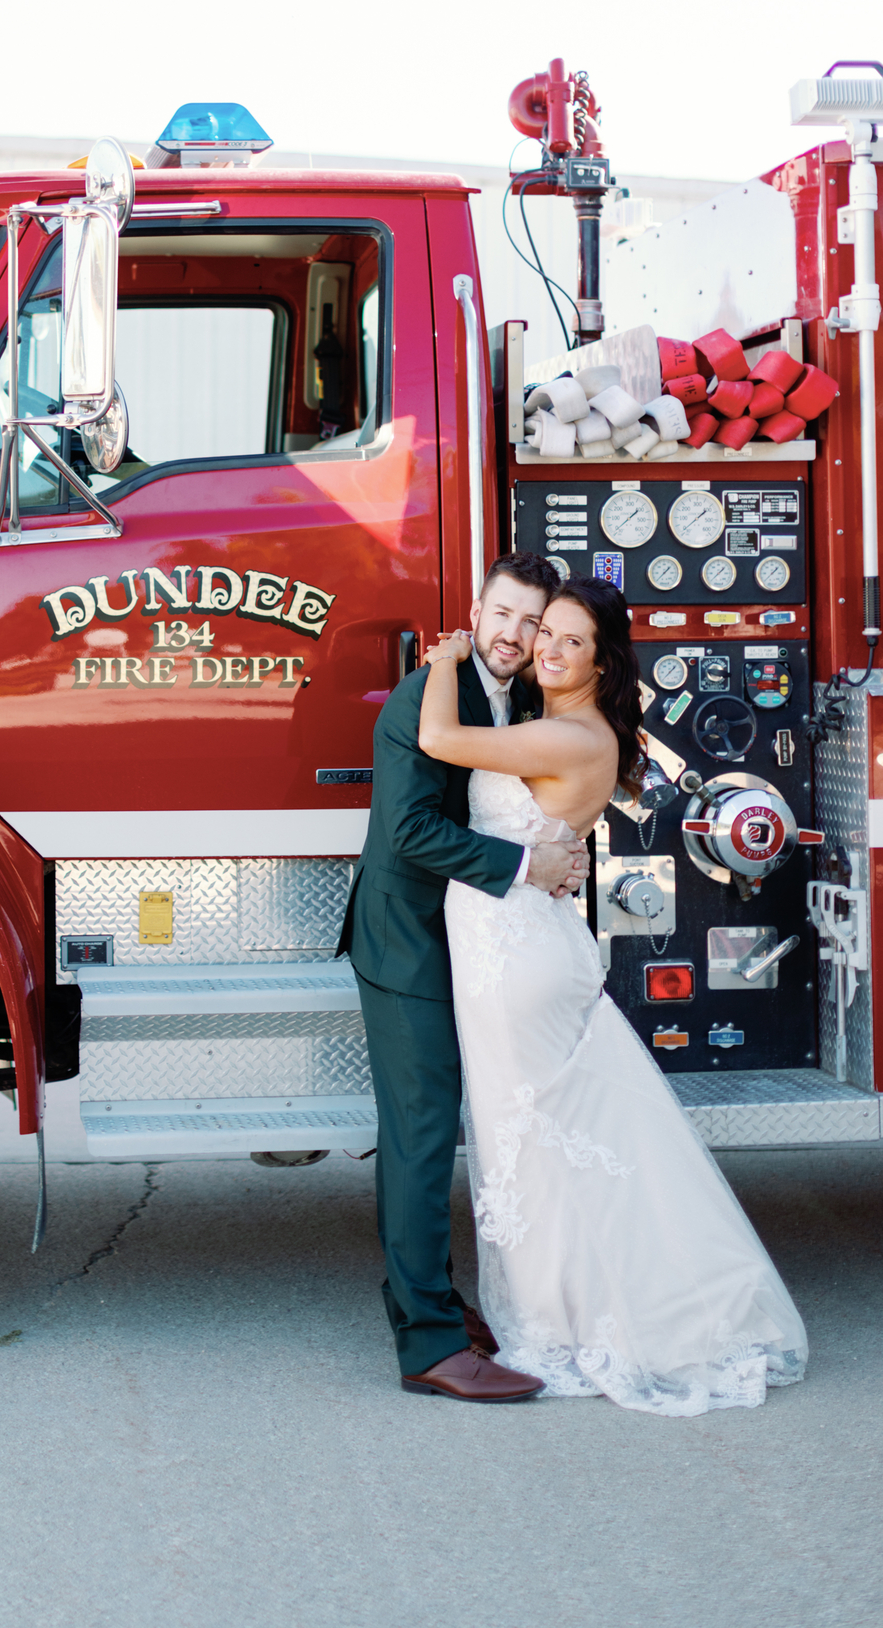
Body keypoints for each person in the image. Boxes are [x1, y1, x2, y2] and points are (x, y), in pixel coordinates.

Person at [419, 575, 808, 1414]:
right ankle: (562, 1310)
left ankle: (567, 1322)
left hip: (516, 962)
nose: (546, 650)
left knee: (529, 1146)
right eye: (544, 633)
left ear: (602, 661)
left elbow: (443, 740)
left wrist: (446, 661)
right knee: (541, 1146)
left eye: (569, 641)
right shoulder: (566, 726)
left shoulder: (569, 735)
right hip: (512, 947)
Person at [339, 551, 589, 1403]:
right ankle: (429, 1347)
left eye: (532, 621)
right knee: (418, 1139)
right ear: (475, 612)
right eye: (505, 614)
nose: (516, 634)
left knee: (444, 1129)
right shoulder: (425, 695)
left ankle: (434, 1303)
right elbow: (409, 832)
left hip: (469, 944)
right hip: (405, 944)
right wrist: (528, 863)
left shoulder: (517, 698)